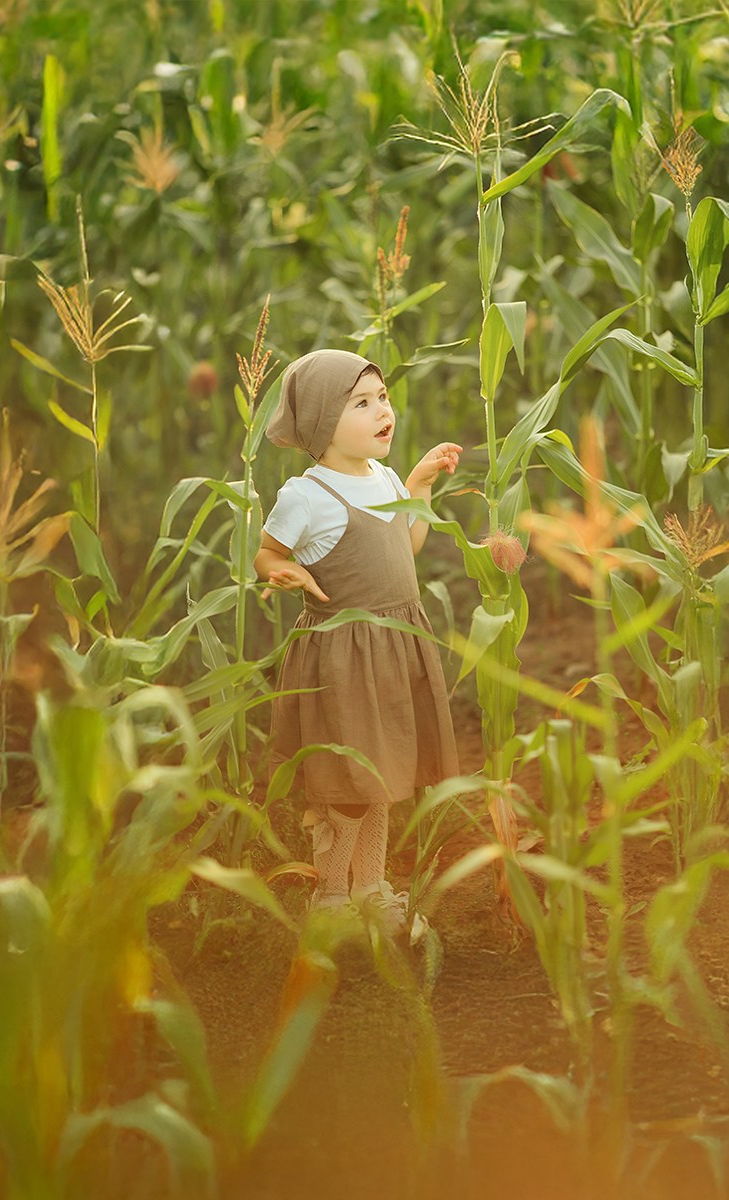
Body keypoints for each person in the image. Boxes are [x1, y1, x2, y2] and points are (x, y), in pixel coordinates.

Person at [256, 347, 463, 941]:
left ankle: (372, 890)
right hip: (344, 659)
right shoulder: (308, 495)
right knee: (346, 784)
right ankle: (332, 897)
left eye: (384, 399)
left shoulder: (387, 479)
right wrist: (281, 570)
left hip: (393, 649)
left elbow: (406, 549)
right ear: (323, 423)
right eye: (363, 402)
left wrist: (419, 484)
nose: (383, 411)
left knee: (382, 779)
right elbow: (267, 551)